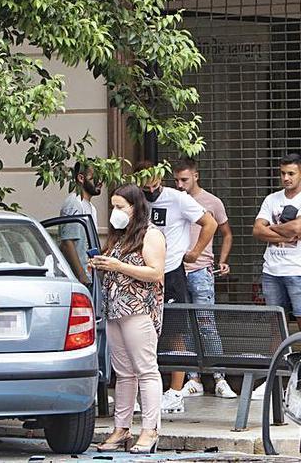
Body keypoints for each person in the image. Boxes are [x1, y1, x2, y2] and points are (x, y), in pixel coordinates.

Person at [135, 159, 217, 414]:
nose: (149, 188)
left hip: (171, 271)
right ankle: (146, 391)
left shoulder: (177, 198)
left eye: (153, 181)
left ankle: (175, 391)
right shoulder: (137, 200)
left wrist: (195, 252)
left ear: (160, 177)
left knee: (176, 330)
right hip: (143, 271)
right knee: (141, 330)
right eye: (143, 183)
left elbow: (210, 223)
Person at [89, 184, 166, 454]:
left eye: (121, 206)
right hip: (115, 309)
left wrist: (118, 265)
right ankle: (121, 428)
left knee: (146, 369)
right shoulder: (119, 237)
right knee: (123, 374)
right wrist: (101, 265)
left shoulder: (151, 235)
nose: (115, 212)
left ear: (136, 207)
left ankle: (150, 429)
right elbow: (115, 270)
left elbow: (156, 273)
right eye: (113, 206)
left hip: (138, 309)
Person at [172, 157, 238, 399]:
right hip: (177, 270)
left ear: (196, 176)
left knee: (207, 324)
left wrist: (223, 260)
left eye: (184, 180)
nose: (180, 185)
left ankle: (219, 377)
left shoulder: (212, 201)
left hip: (201, 270)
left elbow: (226, 233)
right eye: (176, 180)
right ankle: (194, 378)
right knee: (184, 327)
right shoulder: (173, 201)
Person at [253, 153, 301, 332]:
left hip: (298, 270)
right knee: (275, 324)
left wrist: (272, 228)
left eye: (291, 173)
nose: (286, 178)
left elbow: (298, 227)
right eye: (283, 173)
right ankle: (279, 359)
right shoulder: (272, 199)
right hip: (271, 270)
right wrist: (286, 236)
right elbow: (257, 230)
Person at [57, 162, 101, 285]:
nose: (100, 182)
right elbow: (67, 242)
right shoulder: (74, 203)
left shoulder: (92, 208)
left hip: (90, 275)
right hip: (78, 279)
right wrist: (82, 276)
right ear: (81, 178)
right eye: (95, 178)